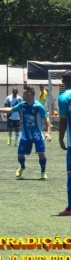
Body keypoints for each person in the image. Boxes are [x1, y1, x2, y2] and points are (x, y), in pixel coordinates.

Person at [0, 86, 51, 180]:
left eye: (24, 93)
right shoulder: (22, 105)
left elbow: (47, 120)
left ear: (29, 94)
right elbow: (11, 109)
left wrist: (49, 133)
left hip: (37, 135)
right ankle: (22, 166)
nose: (22, 95)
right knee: (20, 156)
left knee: (41, 154)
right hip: (26, 135)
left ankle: (43, 172)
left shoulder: (38, 106)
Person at [58, 70, 71, 216]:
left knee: (70, 175)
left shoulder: (64, 98)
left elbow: (63, 121)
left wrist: (60, 139)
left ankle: (70, 208)